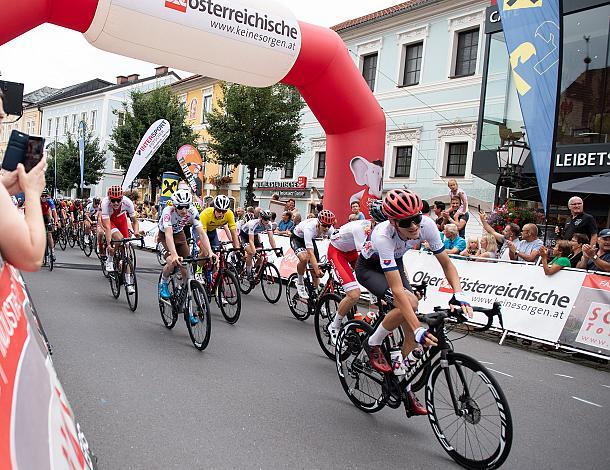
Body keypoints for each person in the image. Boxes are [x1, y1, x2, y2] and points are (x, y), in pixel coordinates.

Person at [356, 189, 472, 416]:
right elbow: (398, 291)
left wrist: (459, 294)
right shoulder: (383, 235)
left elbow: (447, 264)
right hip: (369, 268)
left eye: (416, 218)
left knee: (411, 328)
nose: (414, 226)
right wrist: (420, 329)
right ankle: (373, 342)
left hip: (394, 263)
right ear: (392, 221)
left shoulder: (427, 225)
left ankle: (402, 381)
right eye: (406, 222)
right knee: (409, 303)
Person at [326, 200, 386, 345]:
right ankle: (334, 326)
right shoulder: (361, 228)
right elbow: (367, 256)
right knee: (354, 294)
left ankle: (368, 320)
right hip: (337, 252)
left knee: (381, 291)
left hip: (351, 251)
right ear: (373, 222)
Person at [157, 189, 206, 324]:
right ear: (174, 205)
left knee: (187, 271)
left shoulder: (192, 211)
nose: (184, 210)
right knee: (172, 262)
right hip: (164, 236)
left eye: (186, 206)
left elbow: (201, 232)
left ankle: (187, 308)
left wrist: (210, 252)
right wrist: (174, 255)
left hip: (180, 236)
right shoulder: (168, 211)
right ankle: (164, 283)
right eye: (180, 207)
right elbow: (167, 235)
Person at [100, 186, 142, 293]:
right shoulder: (105, 203)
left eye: (118, 200)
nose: (115, 203)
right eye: (113, 200)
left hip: (121, 219)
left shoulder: (128, 203)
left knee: (126, 249)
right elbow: (108, 227)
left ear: (122, 198)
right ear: (109, 199)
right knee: (119, 239)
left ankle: (128, 283)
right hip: (110, 221)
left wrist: (136, 231)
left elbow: (134, 221)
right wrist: (109, 244)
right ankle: (110, 257)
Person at [291, 209, 336, 299]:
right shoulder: (310, 228)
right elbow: (310, 253)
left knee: (315, 268)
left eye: (329, 226)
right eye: (324, 225)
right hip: (298, 238)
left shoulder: (330, 229)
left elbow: (337, 245)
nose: (327, 228)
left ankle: (319, 300)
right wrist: (316, 269)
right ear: (318, 223)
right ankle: (300, 283)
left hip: (310, 239)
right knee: (305, 259)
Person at [239, 209, 279, 280]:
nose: (267, 221)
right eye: (265, 219)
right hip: (244, 235)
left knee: (261, 257)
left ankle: (253, 269)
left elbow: (271, 238)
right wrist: (254, 253)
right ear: (261, 218)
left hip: (255, 235)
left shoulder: (269, 224)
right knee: (251, 252)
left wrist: (276, 251)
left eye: (268, 219)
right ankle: (249, 274)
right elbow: (251, 241)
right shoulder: (253, 223)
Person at [40, 189, 59, 260]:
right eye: (42, 196)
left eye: (45, 196)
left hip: (46, 215)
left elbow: (54, 212)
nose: (44, 197)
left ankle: (52, 252)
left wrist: (56, 221)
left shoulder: (49, 200)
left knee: (49, 234)